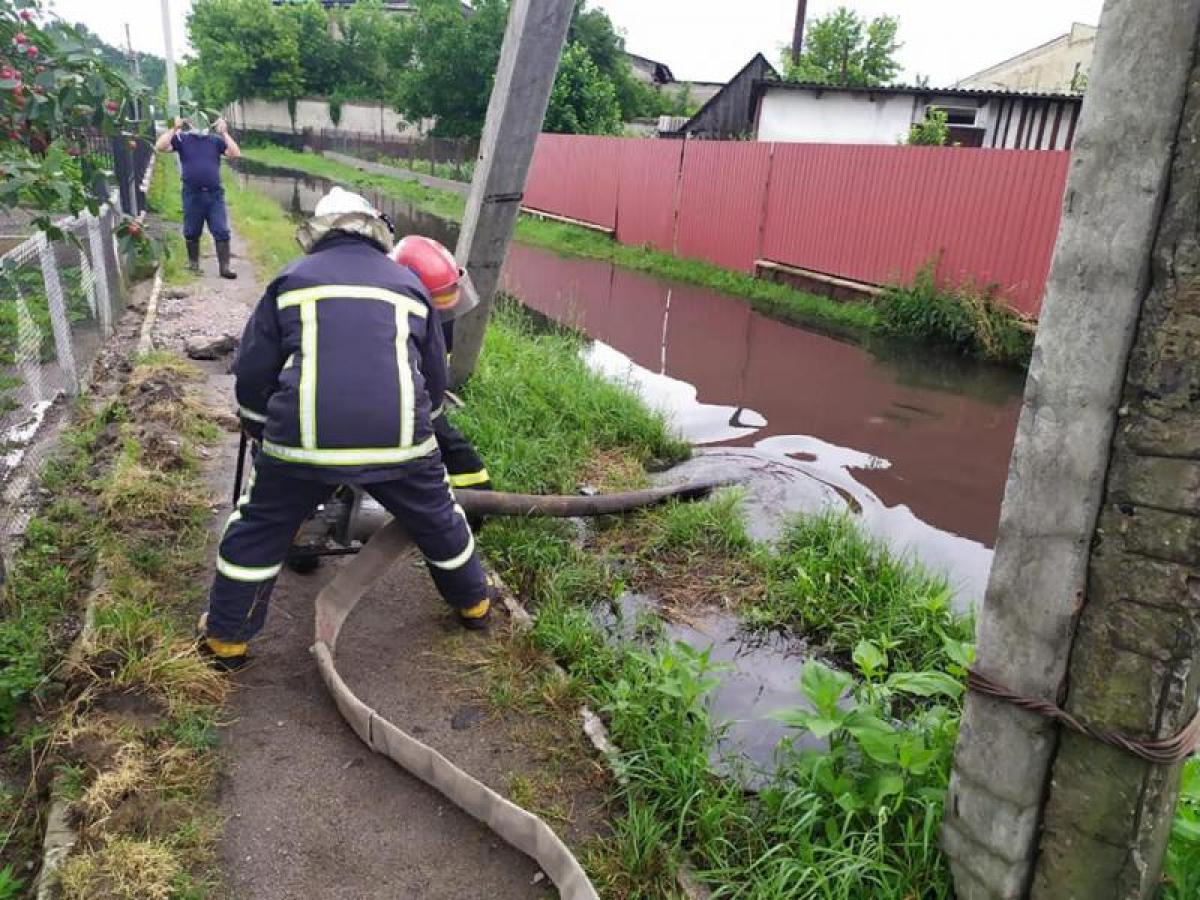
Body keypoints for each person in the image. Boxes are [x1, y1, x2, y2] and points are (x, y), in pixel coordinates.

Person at [199, 187, 493, 671]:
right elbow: (435, 379)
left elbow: (253, 374)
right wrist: (427, 433)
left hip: (302, 448)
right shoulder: (408, 284)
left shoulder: (290, 279)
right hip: (401, 444)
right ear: (375, 228)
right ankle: (475, 606)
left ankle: (227, 641)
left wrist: (257, 428)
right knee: (439, 519)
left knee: (257, 528)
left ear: (319, 232)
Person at [154, 115, 241, 279]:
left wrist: (224, 133)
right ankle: (193, 264)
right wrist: (174, 128)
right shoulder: (183, 139)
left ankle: (225, 267)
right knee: (192, 230)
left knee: (221, 229)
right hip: (192, 193)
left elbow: (235, 153)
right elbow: (160, 146)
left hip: (214, 193)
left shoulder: (214, 141)